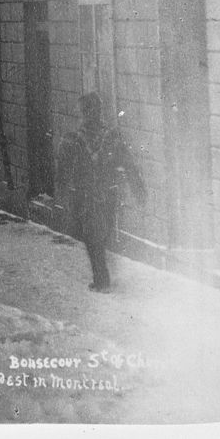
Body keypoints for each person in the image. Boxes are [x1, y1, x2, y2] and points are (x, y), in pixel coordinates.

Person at [60, 92, 146, 292]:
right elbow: (129, 163)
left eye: (84, 111)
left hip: (90, 195)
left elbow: (64, 169)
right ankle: (101, 278)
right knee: (97, 235)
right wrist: (138, 188)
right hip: (106, 194)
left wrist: (63, 190)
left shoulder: (75, 138)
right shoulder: (110, 136)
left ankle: (102, 281)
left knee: (92, 237)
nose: (83, 115)